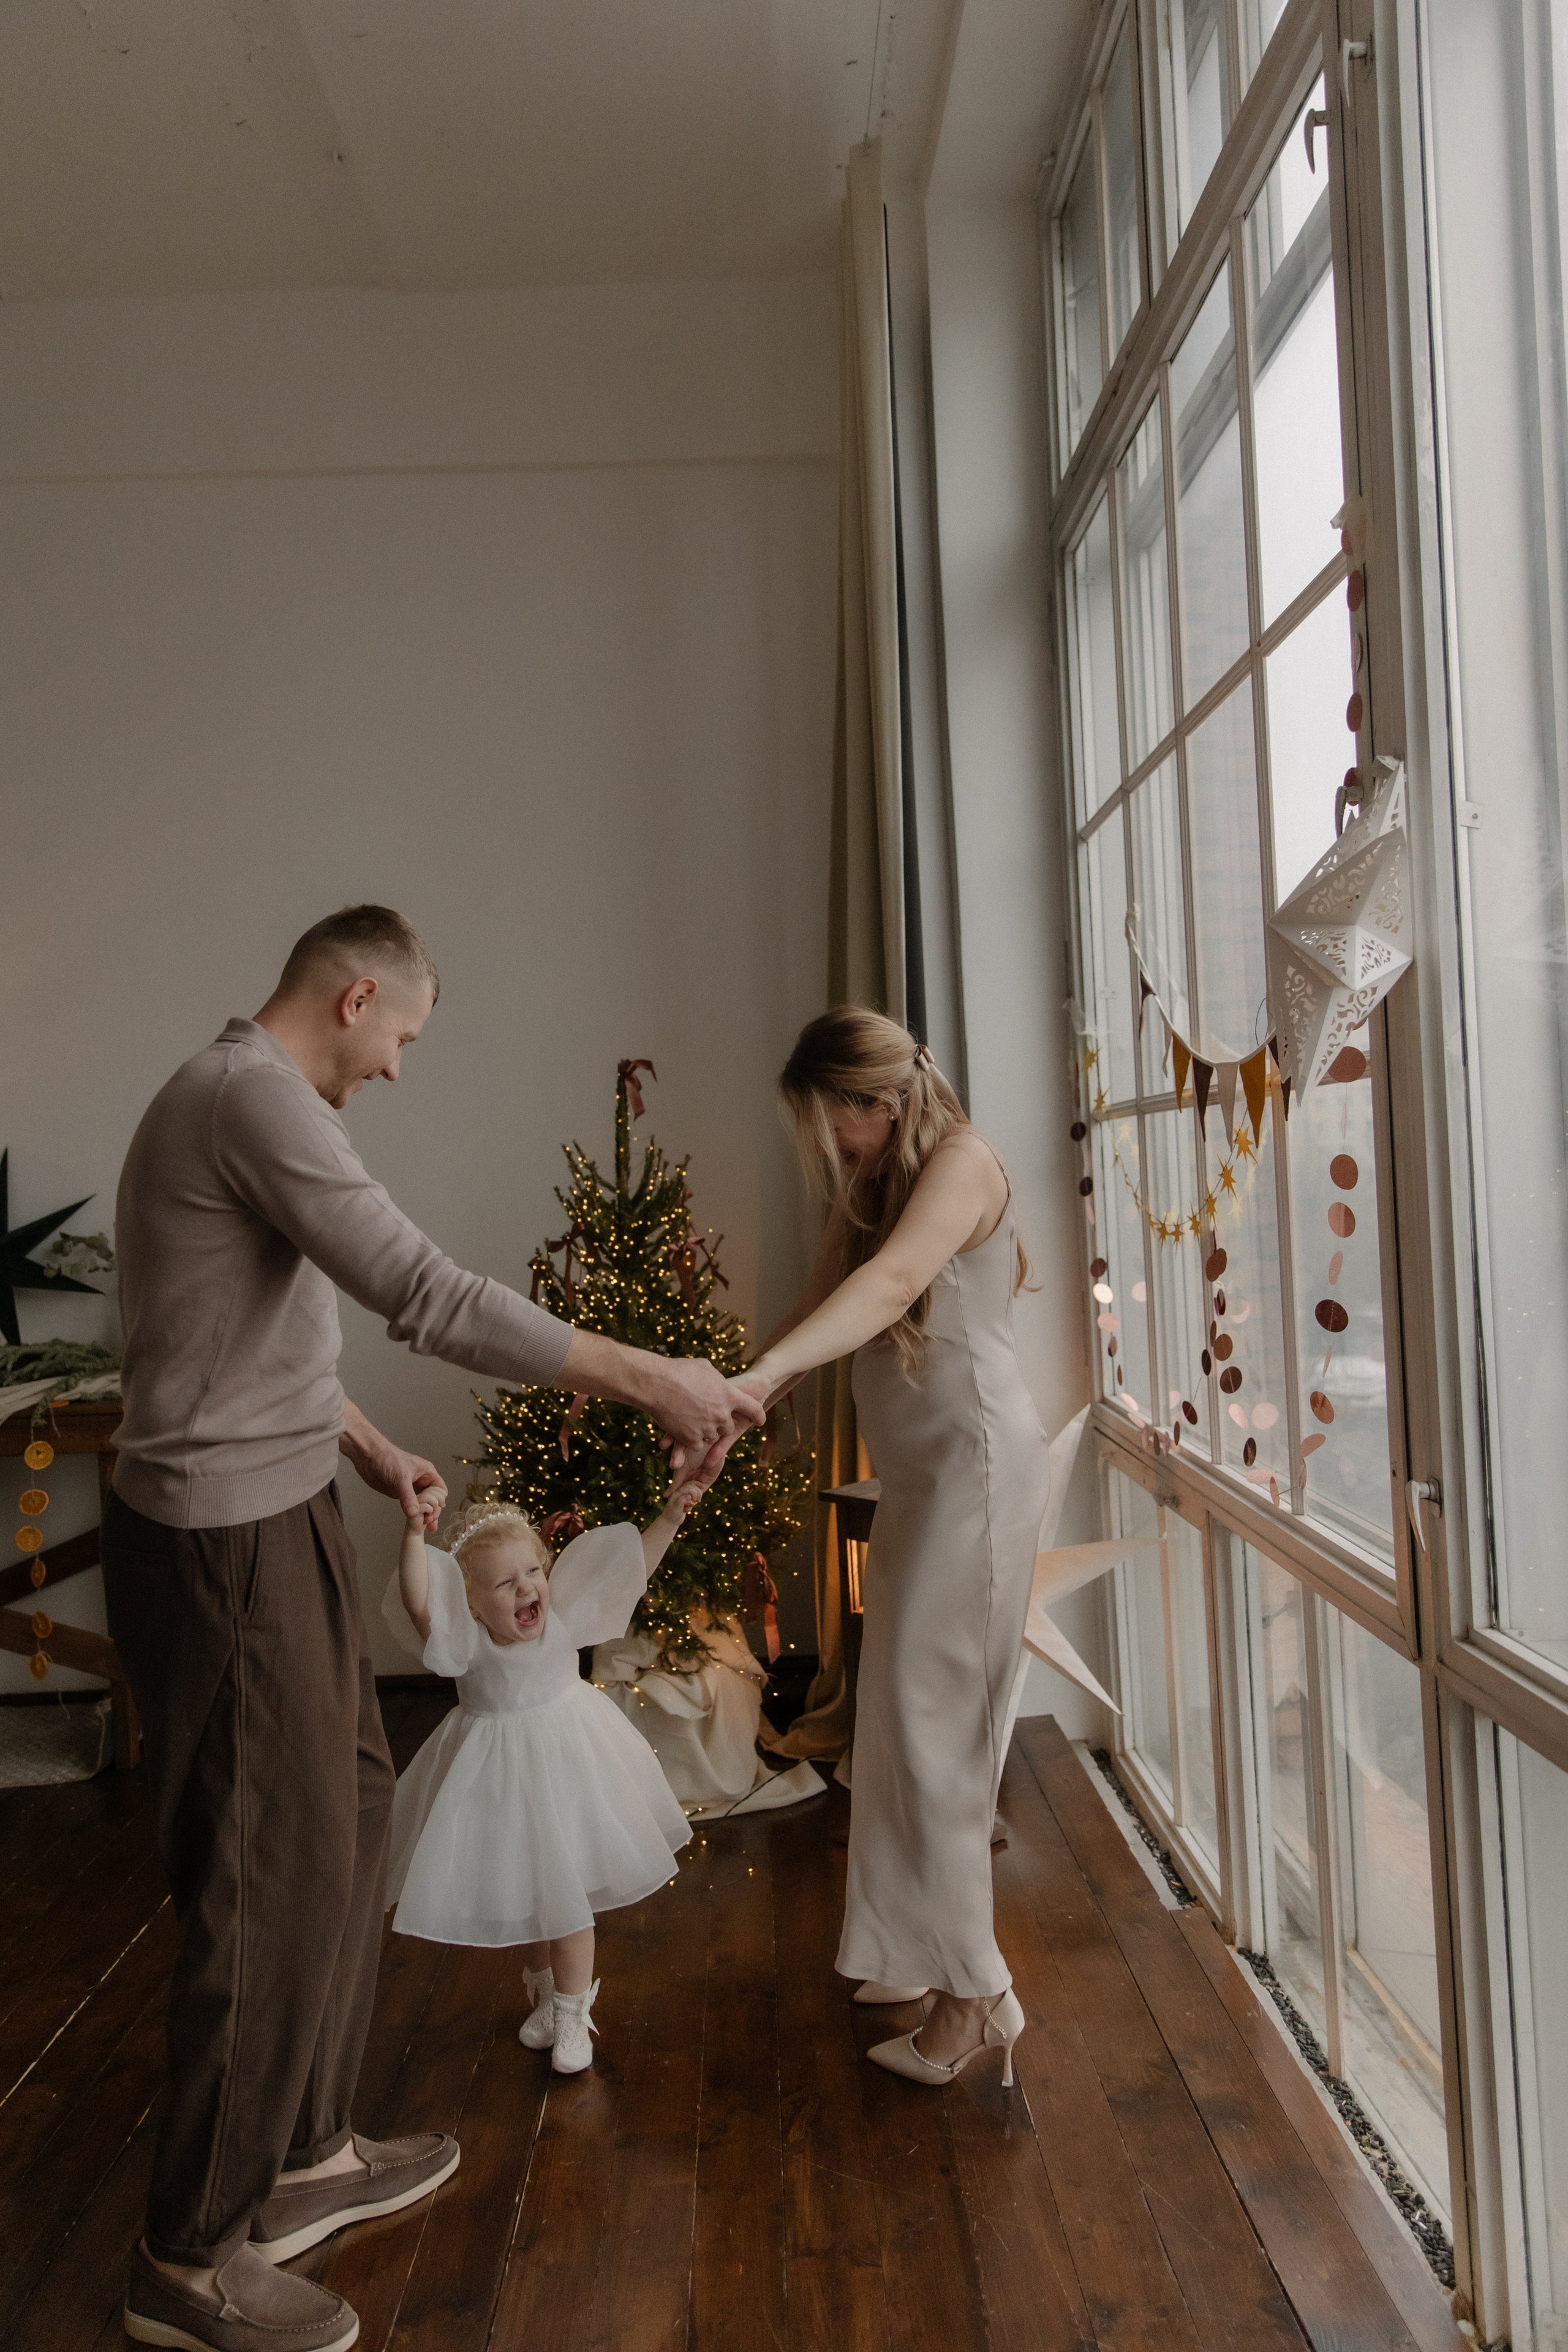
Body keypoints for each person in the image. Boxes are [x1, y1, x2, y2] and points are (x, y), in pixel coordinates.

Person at [105, 905, 761, 2352]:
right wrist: (652, 1378)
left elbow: (231, 1327)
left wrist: (364, 1447)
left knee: (346, 1809)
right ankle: (186, 2259)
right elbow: (426, 1293)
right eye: (401, 1035)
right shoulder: (252, 1099)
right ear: (355, 998)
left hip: (277, 1511)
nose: (399, 1066)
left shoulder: (246, 1103)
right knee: (268, 1876)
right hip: (221, 1542)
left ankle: (300, 2153)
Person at [731, 1006, 1049, 2089]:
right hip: (922, 1479)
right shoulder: (875, 1183)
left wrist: (761, 1381)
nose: (834, 1146)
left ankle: (977, 1997)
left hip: (978, 1476)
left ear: (884, 1098)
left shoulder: (963, 1162)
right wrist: (750, 1397)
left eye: (839, 1122)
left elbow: (890, 1288)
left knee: (935, 1729)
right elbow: (824, 1298)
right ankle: (906, 1948)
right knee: (894, 1718)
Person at [380, 1475, 709, 2078]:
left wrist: (671, 1517)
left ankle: (574, 2010)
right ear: (470, 1603)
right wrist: (410, 1533)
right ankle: (546, 1994)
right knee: (527, 1893)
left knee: (568, 1896)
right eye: (505, 1584)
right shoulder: (464, 1641)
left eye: (533, 1572)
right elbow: (419, 1599)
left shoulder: (560, 1620)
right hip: (498, 1781)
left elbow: (629, 1572)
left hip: (569, 1768)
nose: (527, 1587)